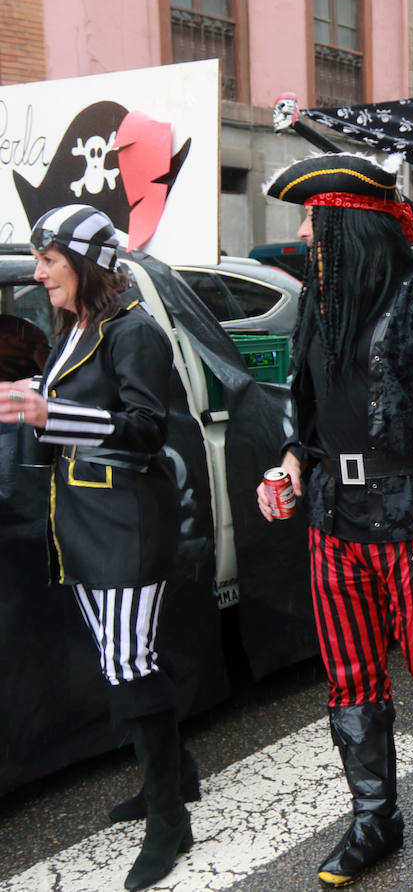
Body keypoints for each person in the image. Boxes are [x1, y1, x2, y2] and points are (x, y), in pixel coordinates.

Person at [257, 153, 413, 887]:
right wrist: (293, 463)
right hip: (336, 516)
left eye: (311, 222)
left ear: (348, 228)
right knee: (351, 673)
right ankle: (376, 819)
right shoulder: (318, 304)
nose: (302, 235)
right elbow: (306, 407)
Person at [0, 205, 192, 891]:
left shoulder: (133, 331)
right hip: (81, 520)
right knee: (127, 660)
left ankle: (168, 821)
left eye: (50, 259)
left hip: (125, 523)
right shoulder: (75, 327)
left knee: (129, 663)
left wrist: (50, 411)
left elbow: (146, 428)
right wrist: (28, 396)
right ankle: (176, 779)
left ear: (84, 262)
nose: (39, 271)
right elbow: (68, 409)